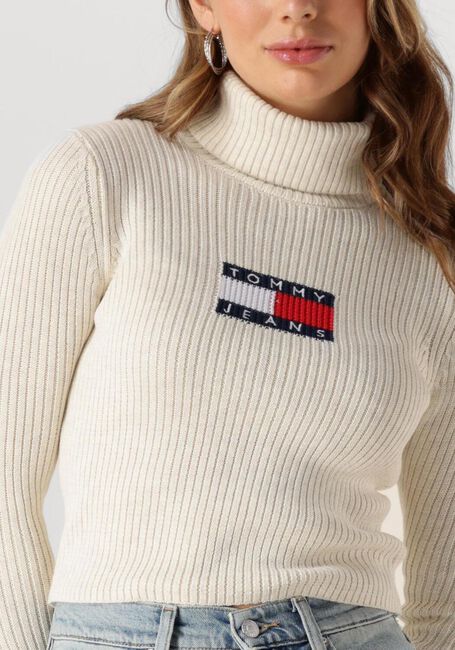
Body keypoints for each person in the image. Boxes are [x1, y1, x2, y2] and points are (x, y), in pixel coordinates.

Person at [1, 0, 454, 648]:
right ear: (204, 8)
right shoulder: (102, 178)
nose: (297, 8)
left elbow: (445, 584)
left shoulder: (431, 252)